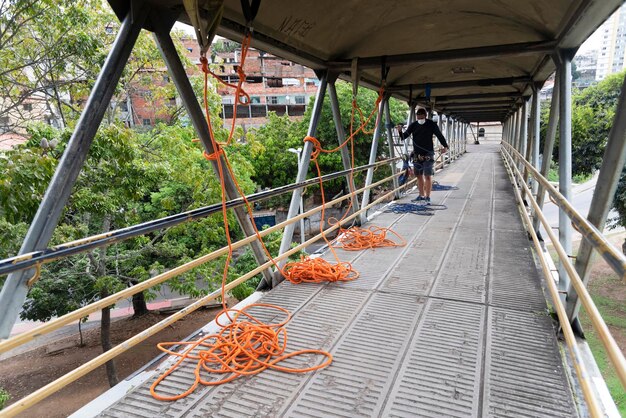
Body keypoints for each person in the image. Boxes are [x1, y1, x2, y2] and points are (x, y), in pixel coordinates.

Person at [396, 108, 448, 204]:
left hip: (428, 153)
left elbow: (439, 135)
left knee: (427, 175)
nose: (420, 119)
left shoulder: (431, 124)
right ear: (416, 117)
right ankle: (421, 195)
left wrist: (445, 146)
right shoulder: (413, 125)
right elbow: (404, 137)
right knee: (419, 176)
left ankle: (427, 197)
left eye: (422, 117)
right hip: (417, 154)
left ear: (425, 116)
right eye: (418, 118)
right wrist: (399, 131)